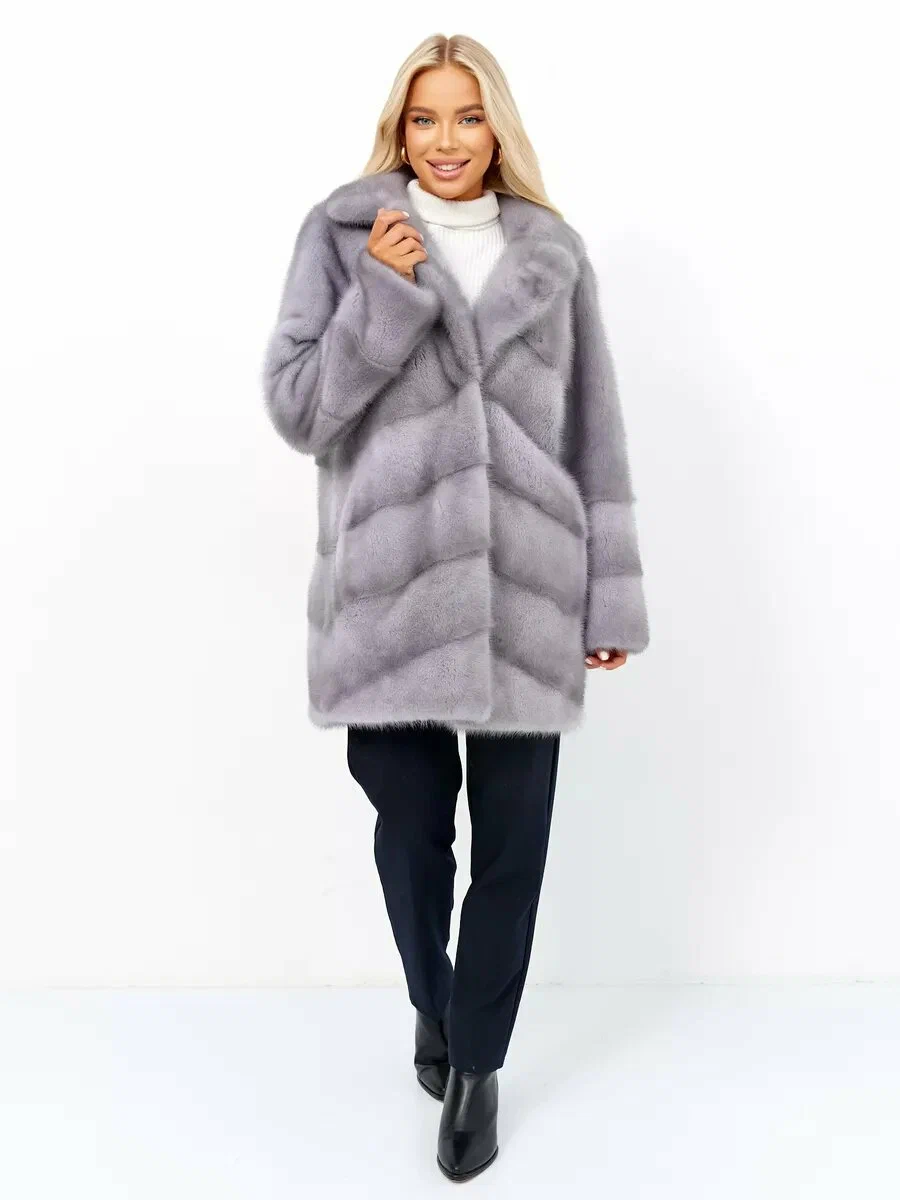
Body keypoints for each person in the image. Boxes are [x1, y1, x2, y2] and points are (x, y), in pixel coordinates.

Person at [261, 32, 650, 1182]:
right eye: (425, 118)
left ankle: (477, 1065)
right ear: (400, 126)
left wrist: (608, 595)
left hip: (529, 585)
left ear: (497, 129)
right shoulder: (344, 236)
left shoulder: (553, 256)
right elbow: (298, 410)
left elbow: (596, 430)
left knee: (515, 848)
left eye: (468, 117)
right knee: (410, 835)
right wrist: (380, 299)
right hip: (392, 593)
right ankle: (434, 1003)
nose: (446, 141)